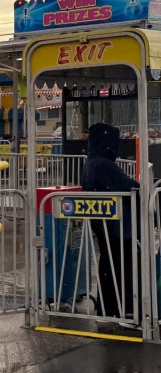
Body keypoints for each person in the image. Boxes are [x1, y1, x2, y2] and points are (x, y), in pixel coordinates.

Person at [79, 122, 138, 319]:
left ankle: (107, 309)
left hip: (105, 225)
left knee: (108, 264)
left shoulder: (91, 162)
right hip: (118, 227)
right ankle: (123, 309)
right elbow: (129, 186)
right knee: (121, 267)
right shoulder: (103, 165)